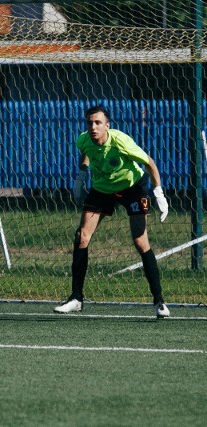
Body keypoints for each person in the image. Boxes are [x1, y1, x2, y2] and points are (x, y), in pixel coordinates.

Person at [54, 105, 171, 318]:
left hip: (132, 187)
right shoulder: (83, 140)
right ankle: (76, 298)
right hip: (102, 189)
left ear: (107, 126)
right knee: (81, 237)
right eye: (90, 122)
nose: (93, 126)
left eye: (98, 123)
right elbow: (86, 154)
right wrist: (81, 179)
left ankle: (159, 301)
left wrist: (159, 193)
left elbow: (149, 163)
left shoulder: (121, 142)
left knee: (140, 241)